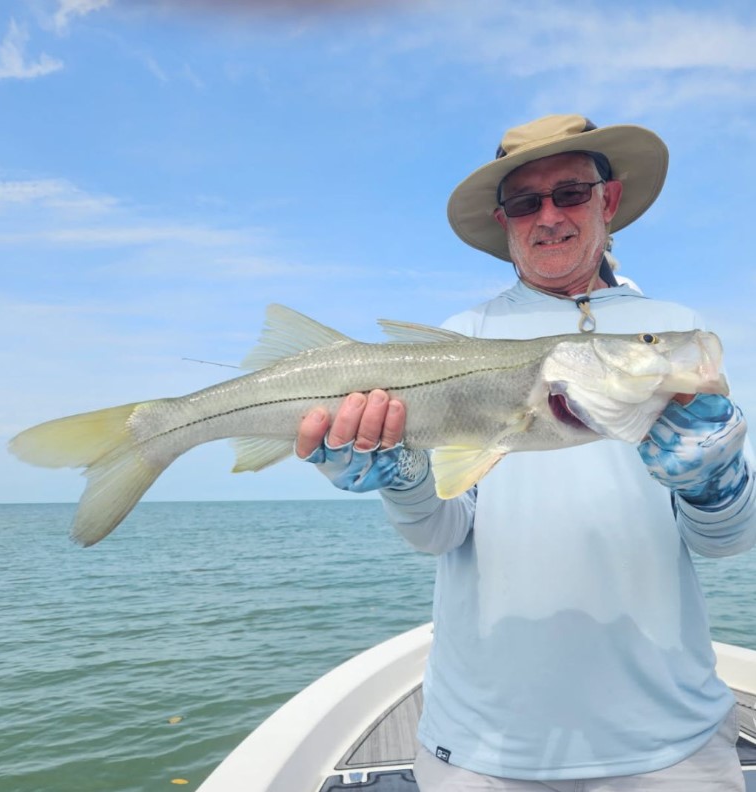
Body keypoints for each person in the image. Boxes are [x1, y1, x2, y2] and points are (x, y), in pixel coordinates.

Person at [295, 114, 756, 790]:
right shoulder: (461, 337)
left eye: (570, 192)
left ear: (610, 199)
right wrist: (404, 478)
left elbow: (724, 542)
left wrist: (714, 482)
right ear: (505, 220)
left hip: (673, 744)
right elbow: (439, 533)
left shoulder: (675, 334)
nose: (549, 216)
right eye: (525, 201)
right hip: (486, 749)